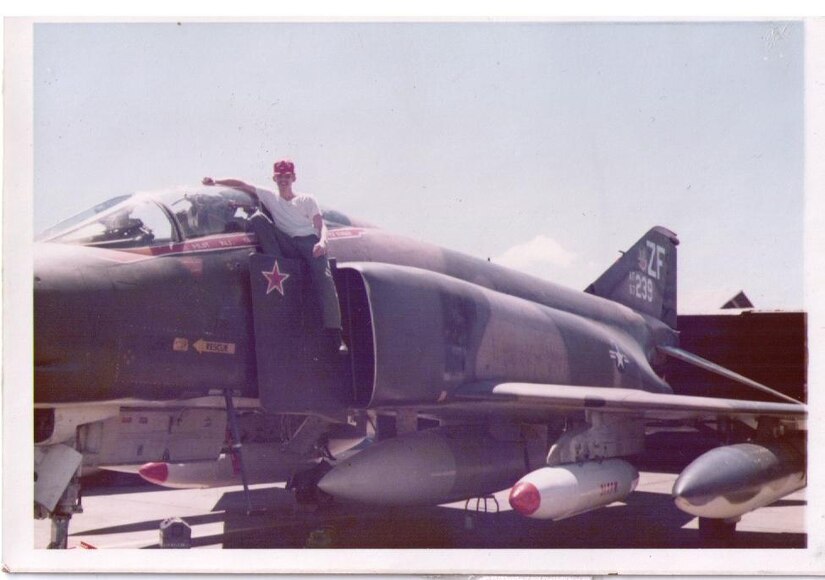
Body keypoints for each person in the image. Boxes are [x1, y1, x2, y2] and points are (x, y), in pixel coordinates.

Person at [202, 160, 347, 355]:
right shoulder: (270, 196)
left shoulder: (306, 199)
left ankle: (335, 334)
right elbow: (243, 184)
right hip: (286, 242)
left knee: (325, 278)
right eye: (280, 177)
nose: (283, 180)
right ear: (274, 179)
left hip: (309, 242)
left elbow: (321, 226)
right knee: (258, 219)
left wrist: (322, 243)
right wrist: (215, 181)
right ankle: (277, 261)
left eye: (287, 177)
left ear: (293, 178)